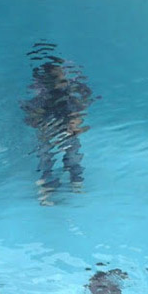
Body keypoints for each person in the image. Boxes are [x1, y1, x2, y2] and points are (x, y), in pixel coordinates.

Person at [22, 47, 93, 205]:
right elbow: (30, 118)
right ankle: (46, 189)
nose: (65, 83)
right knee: (45, 159)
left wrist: (76, 124)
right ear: (48, 84)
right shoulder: (41, 99)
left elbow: (78, 111)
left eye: (65, 79)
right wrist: (40, 124)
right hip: (47, 133)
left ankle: (76, 181)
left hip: (66, 130)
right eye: (61, 80)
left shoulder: (68, 97)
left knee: (73, 156)